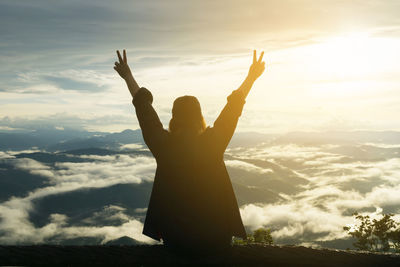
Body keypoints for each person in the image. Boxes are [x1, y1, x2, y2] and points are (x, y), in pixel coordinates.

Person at [114, 50, 265, 255]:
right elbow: (233, 109)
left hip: (176, 239)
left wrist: (128, 77)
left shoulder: (163, 145)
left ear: (174, 118)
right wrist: (251, 78)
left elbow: (144, 111)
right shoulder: (213, 142)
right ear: (199, 117)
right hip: (216, 238)